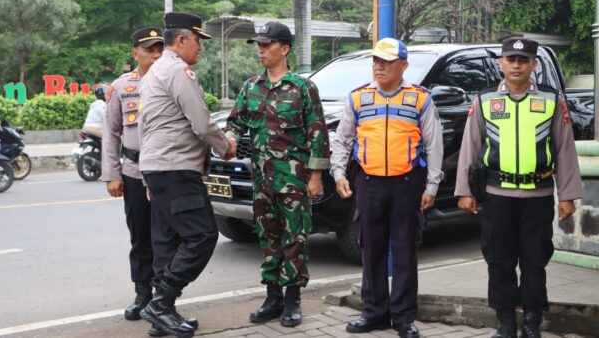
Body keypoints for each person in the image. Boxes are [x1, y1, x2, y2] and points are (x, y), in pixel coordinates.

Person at [455, 38, 582, 338]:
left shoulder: (551, 101)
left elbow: (565, 149)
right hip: (497, 196)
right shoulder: (485, 101)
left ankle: (532, 322)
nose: (516, 65)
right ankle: (505, 323)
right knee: (499, 262)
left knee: (534, 262)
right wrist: (464, 191)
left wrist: (567, 195)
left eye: (523, 60)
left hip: (537, 197)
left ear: (533, 64)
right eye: (510, 59)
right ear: (501, 63)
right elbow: (469, 147)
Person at [330, 37, 444, 337]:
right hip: (368, 183)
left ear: (403, 66)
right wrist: (339, 173)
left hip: (407, 183)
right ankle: (374, 313)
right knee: (371, 249)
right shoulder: (358, 98)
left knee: (405, 249)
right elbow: (342, 140)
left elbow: (434, 145)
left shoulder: (420, 99)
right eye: (376, 61)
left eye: (387, 62)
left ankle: (404, 317)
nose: (379, 67)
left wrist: (432, 186)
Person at [224, 21, 330, 327]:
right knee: (267, 237)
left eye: (266, 45)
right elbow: (236, 122)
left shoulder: (302, 88)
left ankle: (293, 299)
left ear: (284, 49)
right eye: (258, 45)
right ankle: (272, 297)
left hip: (293, 180)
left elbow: (318, 133)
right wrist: (229, 139)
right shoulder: (250, 87)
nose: (261, 50)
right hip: (262, 180)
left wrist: (315, 176)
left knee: (295, 238)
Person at [138, 12, 236, 338]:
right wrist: (226, 147)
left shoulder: (153, 73)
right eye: (197, 41)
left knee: (168, 240)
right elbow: (202, 122)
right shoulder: (179, 71)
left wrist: (148, 174)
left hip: (158, 167)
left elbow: (147, 126)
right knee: (202, 235)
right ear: (181, 40)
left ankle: (161, 315)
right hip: (176, 169)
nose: (200, 48)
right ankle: (162, 304)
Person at [101, 27, 164, 324]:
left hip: (166, 172)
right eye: (148, 50)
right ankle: (142, 293)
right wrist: (111, 174)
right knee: (140, 235)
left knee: (167, 235)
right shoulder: (121, 86)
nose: (154, 55)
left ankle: (165, 295)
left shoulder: (172, 80)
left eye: (158, 50)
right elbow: (111, 133)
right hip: (134, 172)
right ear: (135, 53)